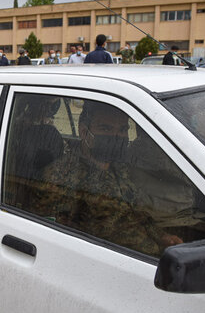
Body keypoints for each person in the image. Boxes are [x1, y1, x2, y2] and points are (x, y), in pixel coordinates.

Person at [31, 101, 182, 257]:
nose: (116, 137)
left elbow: (137, 211)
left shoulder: (121, 168)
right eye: (106, 129)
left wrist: (161, 237)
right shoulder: (60, 175)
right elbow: (54, 239)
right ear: (84, 132)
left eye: (123, 130)